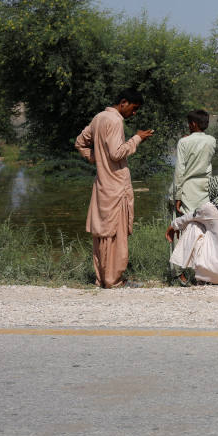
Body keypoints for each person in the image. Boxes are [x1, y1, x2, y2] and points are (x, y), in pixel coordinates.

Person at [74, 88, 154, 288]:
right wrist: (137, 139)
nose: (134, 113)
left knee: (103, 234)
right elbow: (117, 154)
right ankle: (113, 280)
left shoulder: (99, 117)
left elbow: (80, 143)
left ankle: (103, 278)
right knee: (116, 235)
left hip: (102, 185)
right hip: (116, 186)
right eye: (134, 109)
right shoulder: (116, 120)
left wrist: (96, 160)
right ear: (124, 102)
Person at [170, 109, 216, 217]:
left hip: (188, 190)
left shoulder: (183, 142)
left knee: (185, 223)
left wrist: (177, 197)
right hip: (206, 188)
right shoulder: (212, 140)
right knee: (203, 222)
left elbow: (179, 171)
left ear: (193, 124)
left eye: (189, 124)